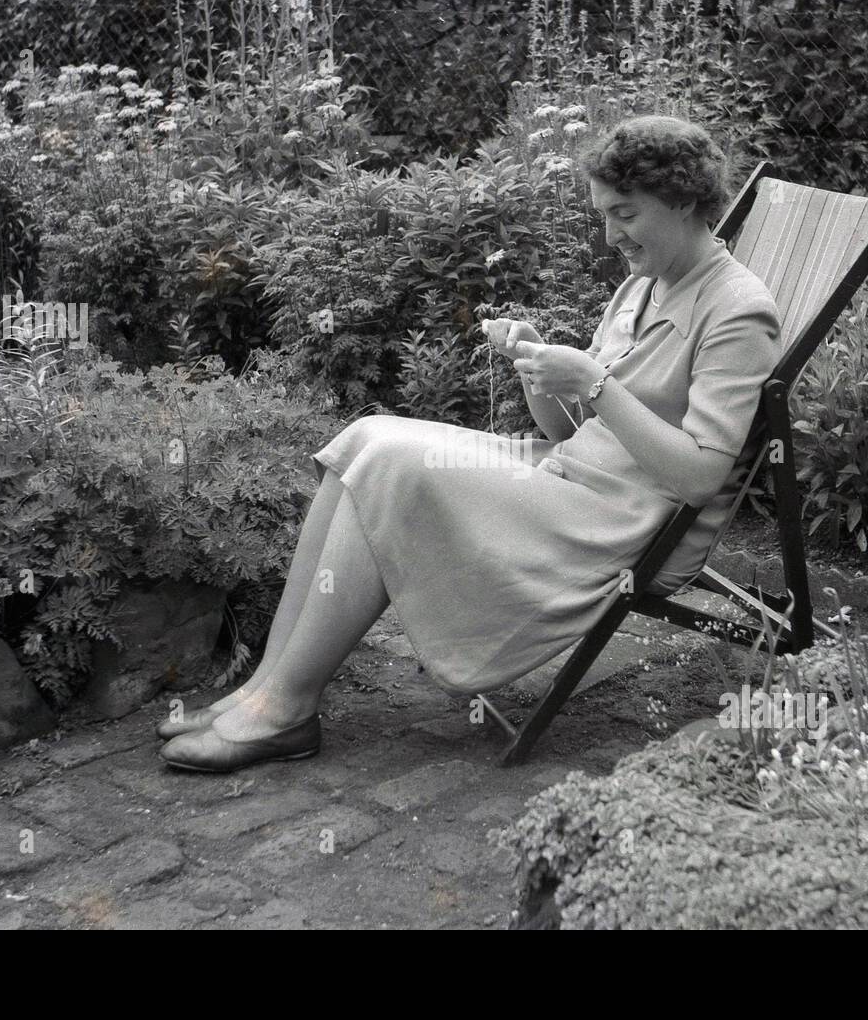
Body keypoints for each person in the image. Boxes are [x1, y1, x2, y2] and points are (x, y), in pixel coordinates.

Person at [157, 114, 782, 772]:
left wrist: (595, 383)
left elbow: (701, 476)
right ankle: (266, 689)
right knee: (363, 440)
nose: (610, 234)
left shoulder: (737, 311)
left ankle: (285, 709)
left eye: (625, 213)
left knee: (394, 465)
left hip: (630, 523)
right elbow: (566, 434)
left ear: (683, 200)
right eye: (603, 214)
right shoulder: (644, 285)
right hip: (569, 479)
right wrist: (540, 364)